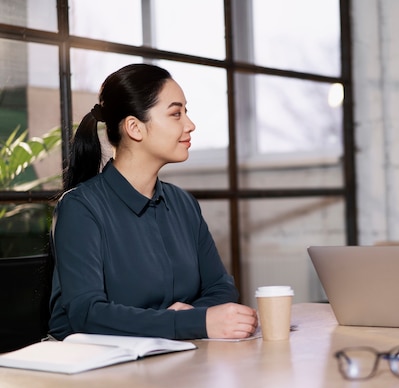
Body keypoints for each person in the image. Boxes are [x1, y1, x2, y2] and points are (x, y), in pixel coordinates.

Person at [48, 63, 257, 341]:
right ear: (135, 127)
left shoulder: (183, 204)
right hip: (96, 370)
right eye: (175, 114)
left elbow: (221, 288)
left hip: (177, 361)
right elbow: (86, 314)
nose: (189, 124)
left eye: (186, 112)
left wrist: (190, 315)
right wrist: (187, 321)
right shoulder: (80, 208)